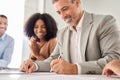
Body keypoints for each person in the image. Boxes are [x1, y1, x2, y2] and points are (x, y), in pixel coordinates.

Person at [19, 0, 120, 74]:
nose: (62, 16)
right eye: (59, 12)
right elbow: (53, 60)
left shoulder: (104, 22)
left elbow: (113, 59)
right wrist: (35, 65)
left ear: (77, 2)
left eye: (64, 9)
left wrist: (75, 68)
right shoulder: (62, 33)